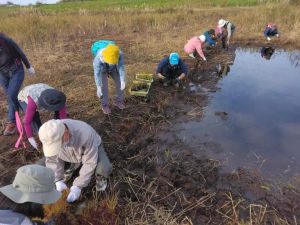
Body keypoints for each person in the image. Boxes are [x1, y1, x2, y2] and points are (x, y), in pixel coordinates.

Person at [38, 119, 113, 203]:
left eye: (58, 144)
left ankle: (100, 178)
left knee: (103, 168)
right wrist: (57, 180)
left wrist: (78, 186)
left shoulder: (85, 134)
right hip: (68, 155)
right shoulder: (50, 135)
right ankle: (71, 167)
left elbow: (90, 162)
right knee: (40, 165)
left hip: (91, 149)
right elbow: (52, 160)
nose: (56, 147)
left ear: (66, 132)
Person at [0, 33, 35, 136]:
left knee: (12, 95)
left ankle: (13, 122)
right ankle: (30, 115)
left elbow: (20, 52)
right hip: (2, 73)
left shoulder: (6, 40)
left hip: (16, 70)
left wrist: (28, 67)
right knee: (11, 96)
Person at [18, 83, 67, 150]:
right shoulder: (33, 102)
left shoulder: (58, 97)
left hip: (41, 88)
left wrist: (64, 128)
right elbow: (27, 122)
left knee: (59, 115)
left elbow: (63, 116)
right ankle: (41, 134)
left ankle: (57, 129)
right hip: (24, 95)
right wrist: (30, 138)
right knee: (34, 117)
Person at [92, 40, 126, 114]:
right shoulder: (97, 59)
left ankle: (118, 101)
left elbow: (121, 67)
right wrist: (98, 87)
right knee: (103, 87)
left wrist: (122, 80)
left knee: (120, 83)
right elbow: (97, 74)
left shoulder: (119, 53)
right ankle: (105, 105)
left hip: (114, 67)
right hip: (102, 69)